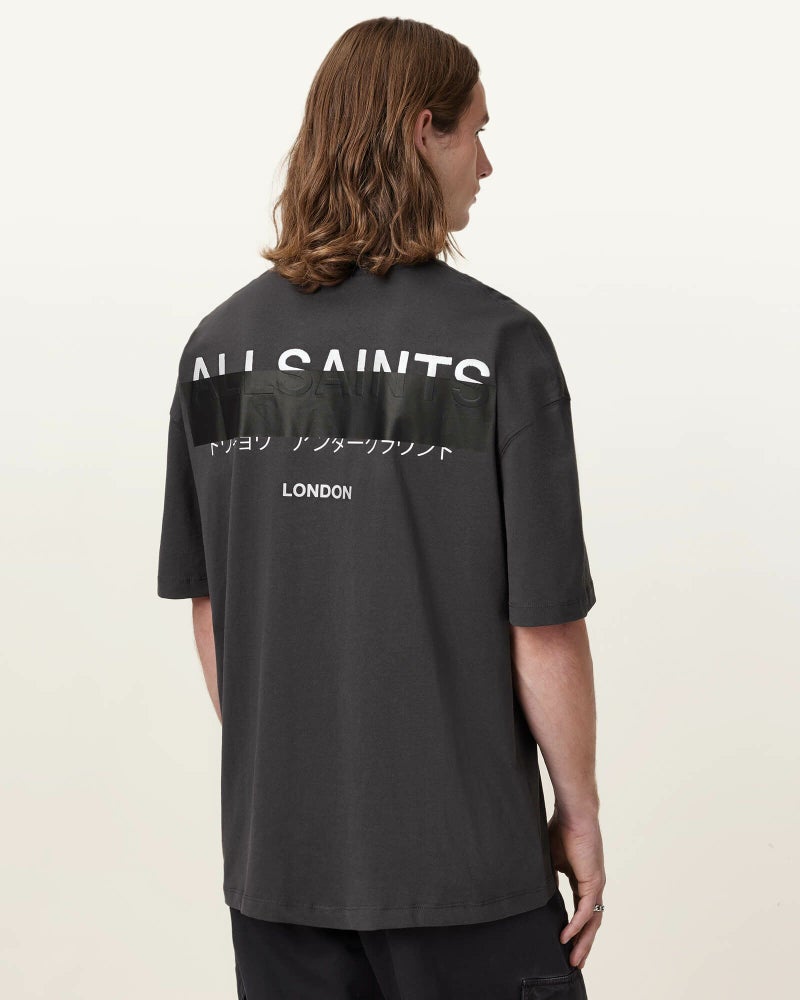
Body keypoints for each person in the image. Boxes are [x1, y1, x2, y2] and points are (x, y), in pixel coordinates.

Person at [157, 16, 605, 1000]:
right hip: (465, 873)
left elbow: (212, 608)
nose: (485, 164)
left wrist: (303, 780)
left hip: (278, 869)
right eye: (474, 132)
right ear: (419, 132)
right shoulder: (499, 347)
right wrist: (578, 810)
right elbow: (542, 626)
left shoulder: (216, 350)